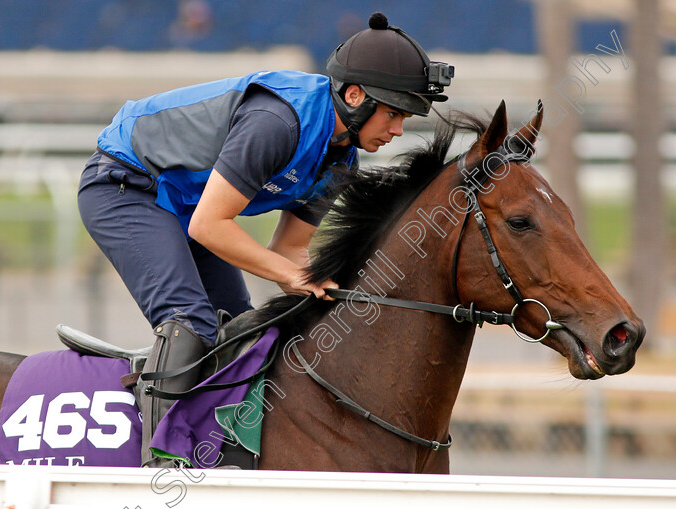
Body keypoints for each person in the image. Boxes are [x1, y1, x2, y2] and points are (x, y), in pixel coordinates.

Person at [77, 11, 453, 464]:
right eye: (393, 114)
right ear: (354, 96)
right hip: (124, 184)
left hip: (184, 206)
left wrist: (333, 297)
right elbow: (209, 227)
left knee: (243, 329)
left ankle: (222, 451)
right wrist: (299, 280)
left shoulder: (342, 161)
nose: (397, 131)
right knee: (191, 322)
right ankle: (164, 468)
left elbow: (290, 251)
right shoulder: (278, 122)